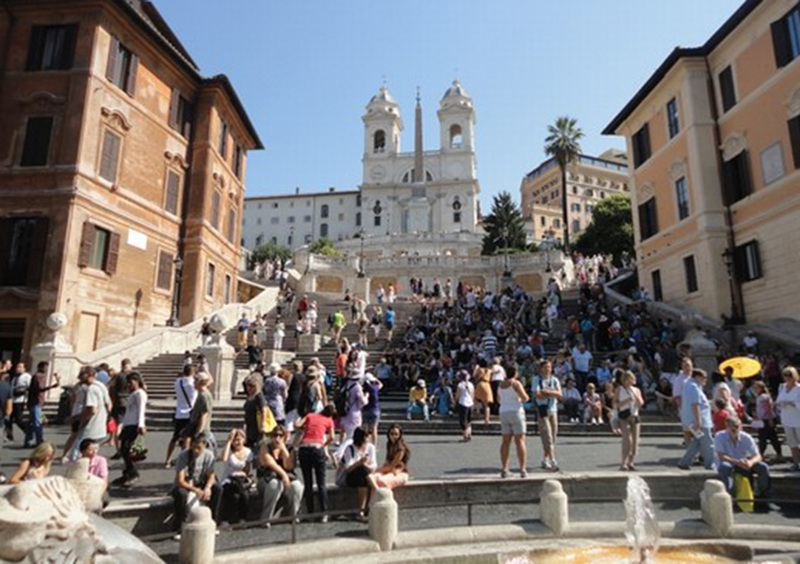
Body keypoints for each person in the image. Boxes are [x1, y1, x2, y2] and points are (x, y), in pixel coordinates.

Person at [171, 434, 220, 536]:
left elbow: (211, 475)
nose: (196, 451)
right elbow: (180, 480)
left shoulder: (209, 455)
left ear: (205, 445)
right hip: (186, 484)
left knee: (218, 489)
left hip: (200, 482)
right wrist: (195, 490)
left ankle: (213, 520)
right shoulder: (183, 456)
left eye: (199, 448)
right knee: (181, 495)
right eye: (194, 447)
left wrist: (208, 487)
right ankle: (180, 526)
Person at [715, 416, 771, 503]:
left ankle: (764, 496)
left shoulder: (746, 437)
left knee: (763, 467)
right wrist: (737, 462)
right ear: (727, 427)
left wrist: (750, 462)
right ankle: (729, 496)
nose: (734, 430)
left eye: (737, 427)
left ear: (741, 427)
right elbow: (721, 456)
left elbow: (758, 456)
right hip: (730, 463)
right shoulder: (719, 436)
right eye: (731, 427)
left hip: (744, 463)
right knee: (724, 467)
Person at [296, 404, 336, 521]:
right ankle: (324, 512)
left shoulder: (310, 415)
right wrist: (325, 444)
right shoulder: (329, 421)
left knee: (308, 483)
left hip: (304, 448)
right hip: (317, 448)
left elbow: (297, 424)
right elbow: (332, 437)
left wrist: (305, 427)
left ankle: (310, 513)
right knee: (321, 483)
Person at [258, 425, 303, 526]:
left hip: (285, 480)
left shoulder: (289, 448)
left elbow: (289, 466)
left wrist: (283, 449)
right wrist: (284, 475)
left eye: (280, 435)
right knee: (274, 485)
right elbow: (269, 463)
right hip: (267, 479)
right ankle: (265, 519)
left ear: (285, 437)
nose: (277, 438)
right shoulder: (265, 446)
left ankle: (294, 515)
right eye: (275, 435)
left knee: (297, 486)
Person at [335, 427, 377, 520]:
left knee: (364, 477)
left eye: (368, 436)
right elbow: (348, 469)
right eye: (366, 437)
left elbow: (374, 465)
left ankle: (362, 511)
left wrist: (366, 465)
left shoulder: (371, 447)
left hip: (364, 476)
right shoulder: (350, 449)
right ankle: (375, 494)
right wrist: (360, 463)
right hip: (351, 476)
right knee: (362, 469)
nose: (368, 439)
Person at [678, 368, 715, 471]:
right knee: (707, 442)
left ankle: (684, 462)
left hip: (693, 421)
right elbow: (695, 405)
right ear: (697, 377)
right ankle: (710, 464)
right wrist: (698, 422)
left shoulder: (690, 386)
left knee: (698, 442)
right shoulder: (693, 387)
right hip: (699, 421)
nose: (705, 380)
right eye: (704, 378)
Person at [71, 366, 109, 461]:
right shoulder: (101, 386)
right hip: (99, 427)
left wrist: (77, 418)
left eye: (82, 374)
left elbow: (92, 410)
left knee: (77, 457)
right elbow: (109, 404)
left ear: (90, 375)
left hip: (90, 428)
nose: (79, 377)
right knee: (92, 456)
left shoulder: (91, 389)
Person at [498, 364, 530, 478]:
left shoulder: (501, 384)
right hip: (516, 411)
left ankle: (505, 468)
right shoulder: (516, 383)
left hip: (503, 411)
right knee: (520, 440)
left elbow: (499, 399)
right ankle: (522, 469)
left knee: (505, 441)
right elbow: (525, 397)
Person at [115, 372, 147, 487]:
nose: (129, 384)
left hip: (134, 424)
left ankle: (133, 473)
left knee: (127, 450)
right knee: (124, 450)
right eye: (128, 382)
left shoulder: (140, 394)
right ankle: (127, 472)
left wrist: (141, 425)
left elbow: (141, 410)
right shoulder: (134, 393)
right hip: (128, 424)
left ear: (137, 380)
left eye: (131, 382)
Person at [218, 429, 253, 525]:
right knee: (231, 494)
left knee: (244, 494)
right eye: (234, 440)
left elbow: (247, 470)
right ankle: (225, 519)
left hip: (241, 480)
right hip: (228, 479)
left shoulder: (248, 452)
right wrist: (229, 441)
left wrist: (244, 475)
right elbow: (223, 458)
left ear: (244, 440)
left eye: (239, 439)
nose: (236, 442)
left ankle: (243, 518)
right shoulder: (229, 451)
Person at [165, 365, 196, 467]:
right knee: (188, 437)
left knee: (175, 437)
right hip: (189, 413)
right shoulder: (193, 384)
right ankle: (185, 459)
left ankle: (168, 459)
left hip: (179, 413)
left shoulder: (178, 382)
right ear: (193, 372)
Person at [533, 359, 562, 471]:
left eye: (549, 367)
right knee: (547, 436)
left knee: (553, 436)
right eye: (545, 367)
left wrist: (547, 392)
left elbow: (559, 394)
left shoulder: (554, 380)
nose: (548, 369)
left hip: (553, 409)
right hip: (543, 410)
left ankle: (545, 459)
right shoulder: (537, 379)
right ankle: (553, 460)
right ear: (541, 369)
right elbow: (537, 394)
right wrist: (551, 392)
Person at [25, 362, 60, 448]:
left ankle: (28, 441)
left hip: (35, 401)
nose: (47, 369)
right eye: (46, 367)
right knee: (37, 422)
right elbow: (39, 389)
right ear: (41, 367)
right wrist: (51, 387)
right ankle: (39, 441)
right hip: (36, 402)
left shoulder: (38, 376)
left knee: (31, 423)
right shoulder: (38, 376)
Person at [616, 370, 644, 471]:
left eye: (630, 379)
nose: (628, 382)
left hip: (634, 415)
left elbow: (641, 403)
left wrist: (636, 397)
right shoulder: (619, 390)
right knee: (627, 439)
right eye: (626, 380)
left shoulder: (636, 390)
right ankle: (623, 462)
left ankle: (631, 462)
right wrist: (626, 400)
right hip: (624, 415)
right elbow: (616, 404)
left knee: (635, 440)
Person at [369, 424, 410, 490]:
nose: (393, 436)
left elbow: (392, 466)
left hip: (399, 473)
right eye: (392, 433)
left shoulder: (401, 449)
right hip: (389, 470)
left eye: (396, 434)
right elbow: (387, 462)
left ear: (400, 435)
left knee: (381, 482)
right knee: (372, 478)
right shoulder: (389, 444)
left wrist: (378, 469)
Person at [775, 366, 800, 471]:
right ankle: (796, 463)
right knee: (792, 442)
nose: (787, 377)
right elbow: (778, 401)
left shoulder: (798, 389)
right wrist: (780, 404)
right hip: (786, 418)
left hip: (798, 418)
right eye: (785, 375)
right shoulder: (782, 387)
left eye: (790, 375)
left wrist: (793, 403)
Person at [752, 381, 782, 460]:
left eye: (756, 388)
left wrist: (770, 419)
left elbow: (767, 408)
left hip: (766, 419)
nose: (755, 389)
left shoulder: (763, 397)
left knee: (765, 437)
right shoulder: (759, 397)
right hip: (763, 419)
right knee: (770, 437)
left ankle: (762, 453)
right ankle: (776, 453)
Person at [187, 373, 215, 454]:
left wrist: (198, 432)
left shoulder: (204, 396)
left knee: (199, 454)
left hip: (201, 431)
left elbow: (204, 415)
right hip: (198, 429)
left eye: (195, 380)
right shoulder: (202, 394)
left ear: (200, 382)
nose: (193, 383)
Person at [78, 438, 109, 506]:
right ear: (83, 451)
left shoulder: (101, 460)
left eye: (96, 449)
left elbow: (104, 480)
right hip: (82, 488)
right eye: (90, 450)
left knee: (104, 499)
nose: (94, 452)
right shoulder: (78, 462)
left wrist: (98, 496)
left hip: (96, 487)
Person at [243, 374, 271, 448]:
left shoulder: (259, 396)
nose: (249, 388)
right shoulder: (249, 397)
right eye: (248, 386)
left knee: (258, 446)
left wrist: (263, 424)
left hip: (257, 425)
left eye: (252, 386)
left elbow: (264, 409)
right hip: (250, 425)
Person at [8, 362, 31, 441]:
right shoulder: (15, 378)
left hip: (20, 400)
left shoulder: (26, 377)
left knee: (18, 419)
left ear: (24, 368)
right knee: (8, 419)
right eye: (17, 367)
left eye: (20, 367)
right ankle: (9, 435)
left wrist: (23, 391)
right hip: (12, 400)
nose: (18, 368)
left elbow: (29, 387)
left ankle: (28, 431)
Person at [455, 369, 475, 442]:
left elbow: (458, 395)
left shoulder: (460, 385)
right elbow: (473, 394)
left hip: (463, 403)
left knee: (463, 420)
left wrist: (455, 402)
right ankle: (469, 434)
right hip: (470, 403)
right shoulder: (471, 384)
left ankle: (465, 435)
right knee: (469, 420)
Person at [362, 374, 383, 444]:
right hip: (375, 409)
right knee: (374, 428)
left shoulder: (363, 389)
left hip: (365, 410)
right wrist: (376, 379)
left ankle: (365, 443)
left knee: (365, 428)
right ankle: (374, 444)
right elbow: (381, 384)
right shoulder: (375, 387)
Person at [473, 358, 493, 424]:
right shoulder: (489, 370)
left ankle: (477, 413)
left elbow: (474, 375)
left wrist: (476, 368)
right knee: (486, 404)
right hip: (487, 385)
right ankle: (487, 419)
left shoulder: (479, 369)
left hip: (480, 384)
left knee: (476, 400)